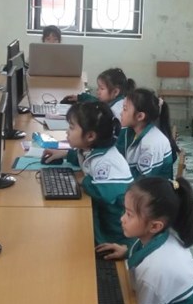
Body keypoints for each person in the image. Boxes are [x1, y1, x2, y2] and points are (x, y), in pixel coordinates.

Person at [95, 177, 193, 304]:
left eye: (129, 214)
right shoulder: (163, 236)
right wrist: (127, 252)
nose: (122, 219)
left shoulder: (154, 271)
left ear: (155, 226)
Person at [42, 101, 132, 244]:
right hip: (104, 216)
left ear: (90, 136)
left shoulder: (106, 162)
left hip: (114, 229)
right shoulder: (91, 149)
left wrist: (83, 180)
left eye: (71, 127)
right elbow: (83, 157)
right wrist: (65, 154)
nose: (67, 132)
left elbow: (103, 193)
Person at [118, 87, 178, 179]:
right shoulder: (131, 131)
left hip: (153, 187)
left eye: (125, 109)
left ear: (140, 116)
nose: (121, 113)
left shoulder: (152, 144)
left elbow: (143, 180)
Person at [63, 67, 134, 121]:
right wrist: (81, 98)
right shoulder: (112, 101)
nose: (98, 91)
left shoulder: (117, 110)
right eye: (98, 87)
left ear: (115, 92)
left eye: (102, 88)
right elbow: (97, 102)